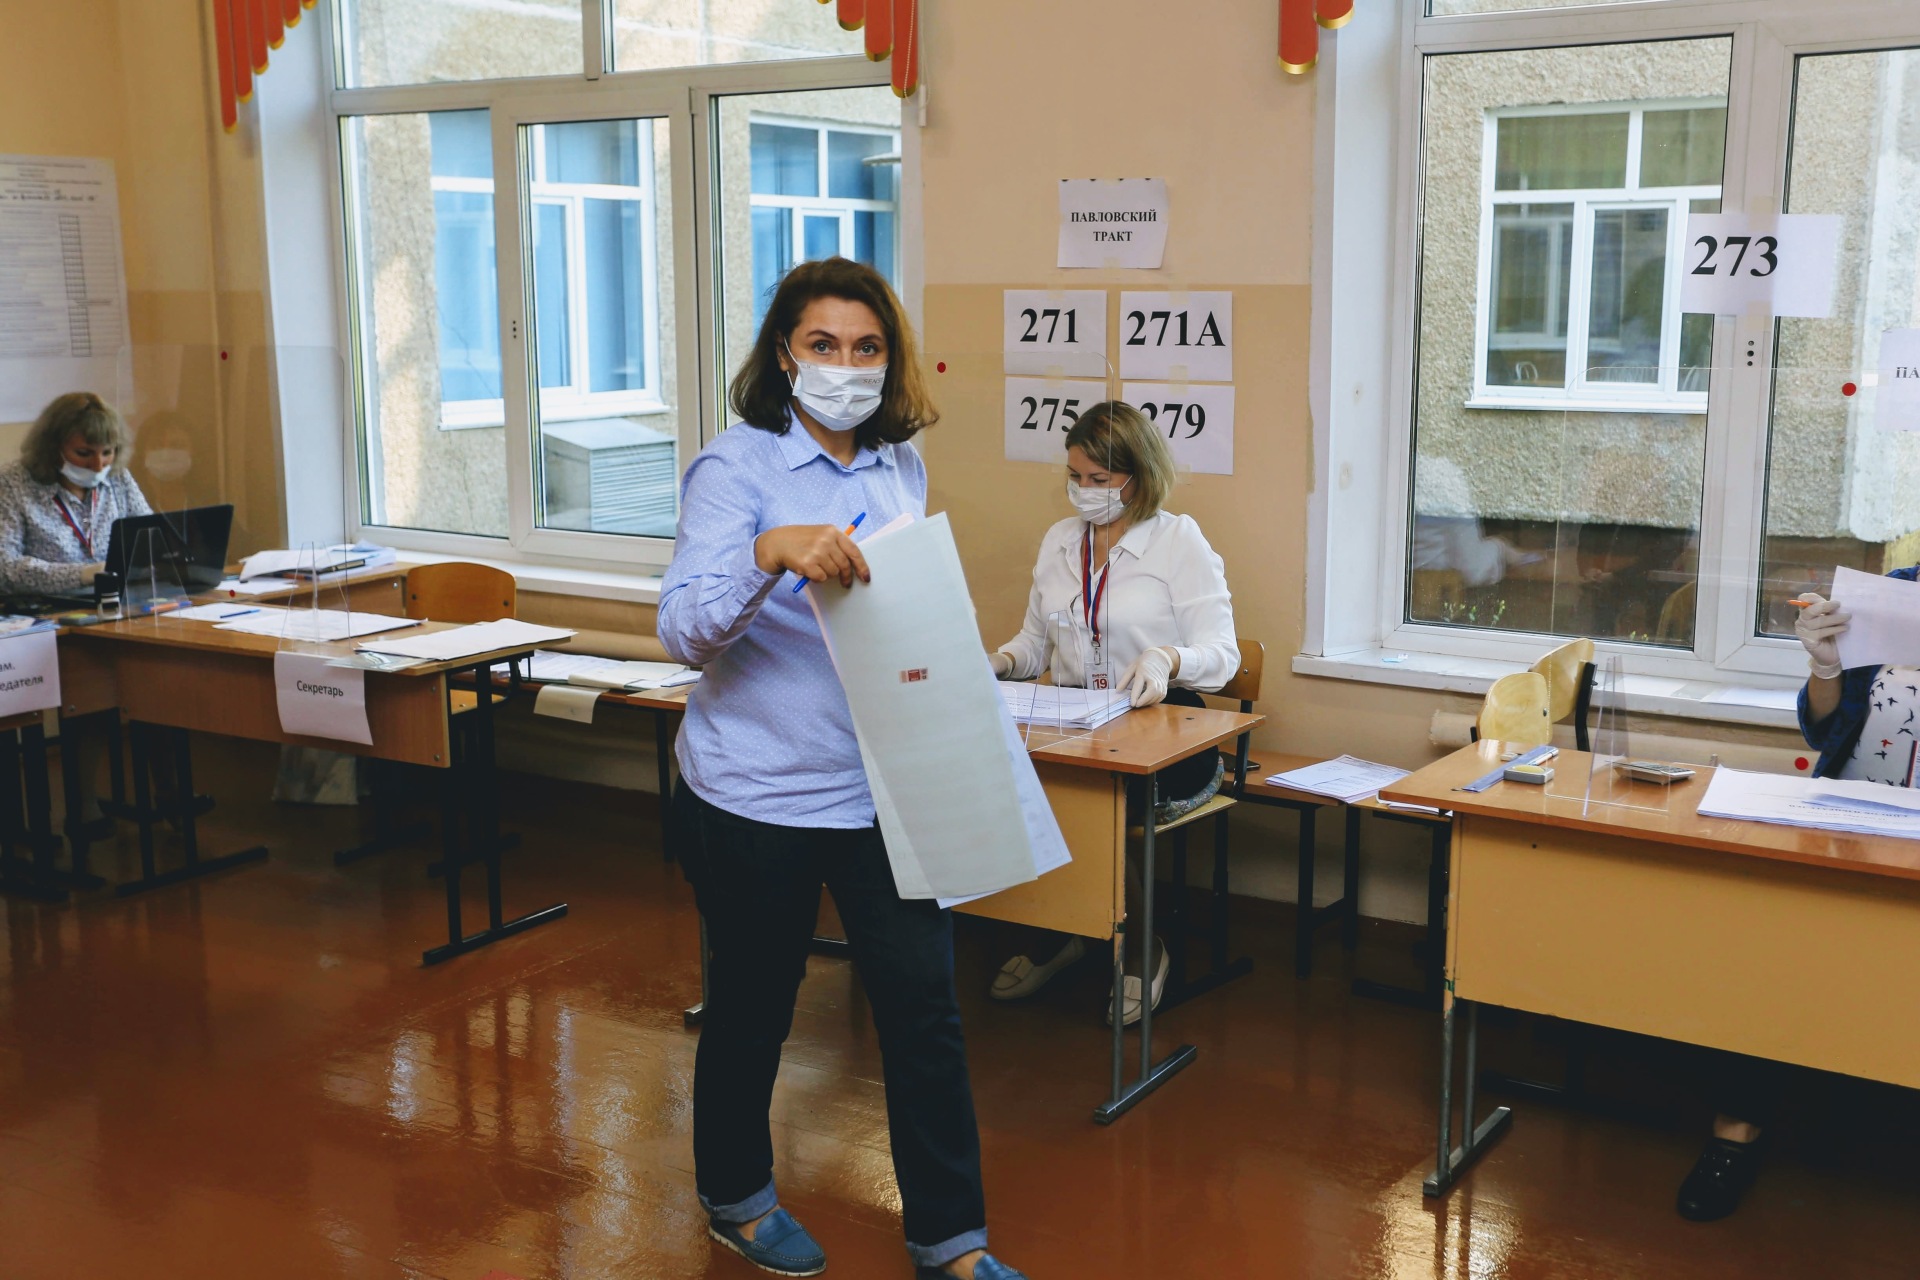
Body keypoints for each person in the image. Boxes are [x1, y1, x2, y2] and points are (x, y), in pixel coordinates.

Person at [657, 257, 1027, 1280]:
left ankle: (951, 1238)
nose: (846, 366)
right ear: (785, 354)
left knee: (924, 1012)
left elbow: (895, 618)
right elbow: (681, 631)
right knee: (754, 1005)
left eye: (867, 348)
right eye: (823, 344)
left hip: (881, 790)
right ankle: (737, 1196)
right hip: (755, 792)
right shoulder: (734, 469)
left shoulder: (897, 466)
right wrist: (766, 553)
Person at [1672, 566, 1918, 1222]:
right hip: (1850, 827)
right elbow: (1824, 732)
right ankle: (1736, 1131)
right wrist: (1827, 666)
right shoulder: (1894, 593)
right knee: (1773, 948)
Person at [984, 403, 1239, 1027]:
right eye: (1076, 477)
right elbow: (1035, 644)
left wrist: (1166, 658)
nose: (1084, 491)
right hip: (1074, 721)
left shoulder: (1178, 541)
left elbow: (1223, 656)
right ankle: (1062, 932)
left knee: (1100, 800)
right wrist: (999, 661)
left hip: (1164, 727)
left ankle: (1141, 947)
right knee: (1020, 786)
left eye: (1100, 479)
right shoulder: (1059, 541)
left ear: (1138, 475)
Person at [0, 392, 151, 596]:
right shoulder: (11, 483)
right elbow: (5, 567)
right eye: (84, 453)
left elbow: (150, 537)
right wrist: (83, 574)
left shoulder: (118, 477)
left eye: (107, 452)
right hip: (48, 607)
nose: (98, 466)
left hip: (119, 599)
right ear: (52, 448)